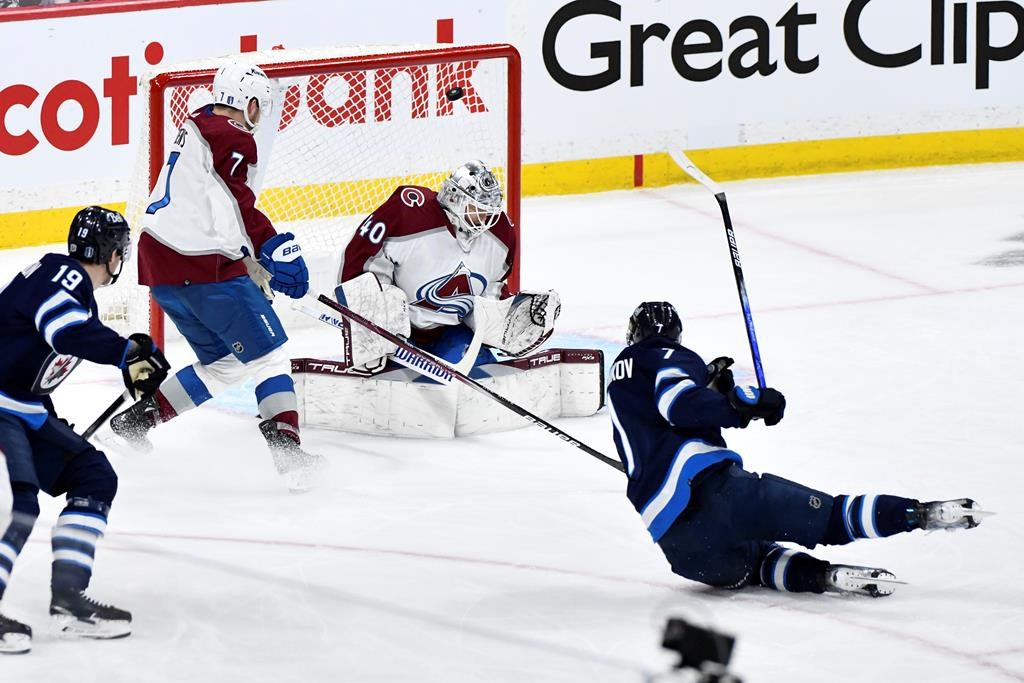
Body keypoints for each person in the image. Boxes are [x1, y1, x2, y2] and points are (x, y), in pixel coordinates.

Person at [606, 301, 988, 597]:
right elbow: (677, 403)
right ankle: (920, 515)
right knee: (834, 517)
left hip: (681, 548)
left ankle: (823, 576)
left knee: (756, 562)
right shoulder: (664, 355)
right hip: (714, 495)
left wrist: (714, 390)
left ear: (632, 332)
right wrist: (739, 406)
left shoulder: (621, 382)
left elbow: (666, 417)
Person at [108, 61, 322, 492]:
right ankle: (289, 455)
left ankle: (138, 420)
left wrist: (253, 257)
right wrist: (270, 246)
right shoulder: (232, 136)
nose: (259, 116)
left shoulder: (200, 124)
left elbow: (214, 204)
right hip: (199, 263)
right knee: (271, 356)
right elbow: (236, 201)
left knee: (224, 363)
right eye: (259, 104)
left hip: (161, 265)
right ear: (248, 101)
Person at [0, 206, 170, 653]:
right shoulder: (65, 277)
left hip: (24, 409)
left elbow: (30, 357)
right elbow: (63, 331)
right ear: (113, 255)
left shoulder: (68, 284)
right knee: (19, 505)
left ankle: (69, 600)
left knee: (92, 475)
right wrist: (125, 353)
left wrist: (134, 353)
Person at [337, 160, 561, 372]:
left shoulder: (501, 235)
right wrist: (369, 331)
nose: (486, 219)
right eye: (477, 209)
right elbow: (361, 265)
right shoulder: (408, 214)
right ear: (455, 199)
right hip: (398, 337)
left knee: (480, 373)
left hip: (452, 333)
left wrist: (507, 317)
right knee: (399, 382)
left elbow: (489, 293)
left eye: (489, 212)